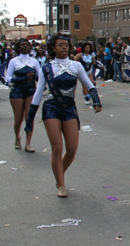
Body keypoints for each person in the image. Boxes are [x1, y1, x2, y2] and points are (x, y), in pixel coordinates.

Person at [25, 33, 102, 197]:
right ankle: (61, 184)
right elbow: (39, 93)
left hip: (69, 108)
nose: (64, 48)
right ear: (53, 48)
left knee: (72, 148)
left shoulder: (76, 65)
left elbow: (89, 84)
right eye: (60, 45)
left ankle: (58, 172)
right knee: (57, 147)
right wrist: (30, 118)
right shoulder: (46, 67)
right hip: (51, 107)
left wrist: (96, 101)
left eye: (66, 45)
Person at [6, 40, 41, 152]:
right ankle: (17, 137)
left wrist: (33, 76)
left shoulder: (34, 61)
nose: (25, 46)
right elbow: (8, 79)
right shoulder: (13, 61)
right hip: (17, 91)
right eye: (22, 45)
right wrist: (24, 78)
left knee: (29, 118)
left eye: (27, 45)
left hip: (30, 91)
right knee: (18, 118)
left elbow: (40, 78)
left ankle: (28, 143)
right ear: (18, 47)